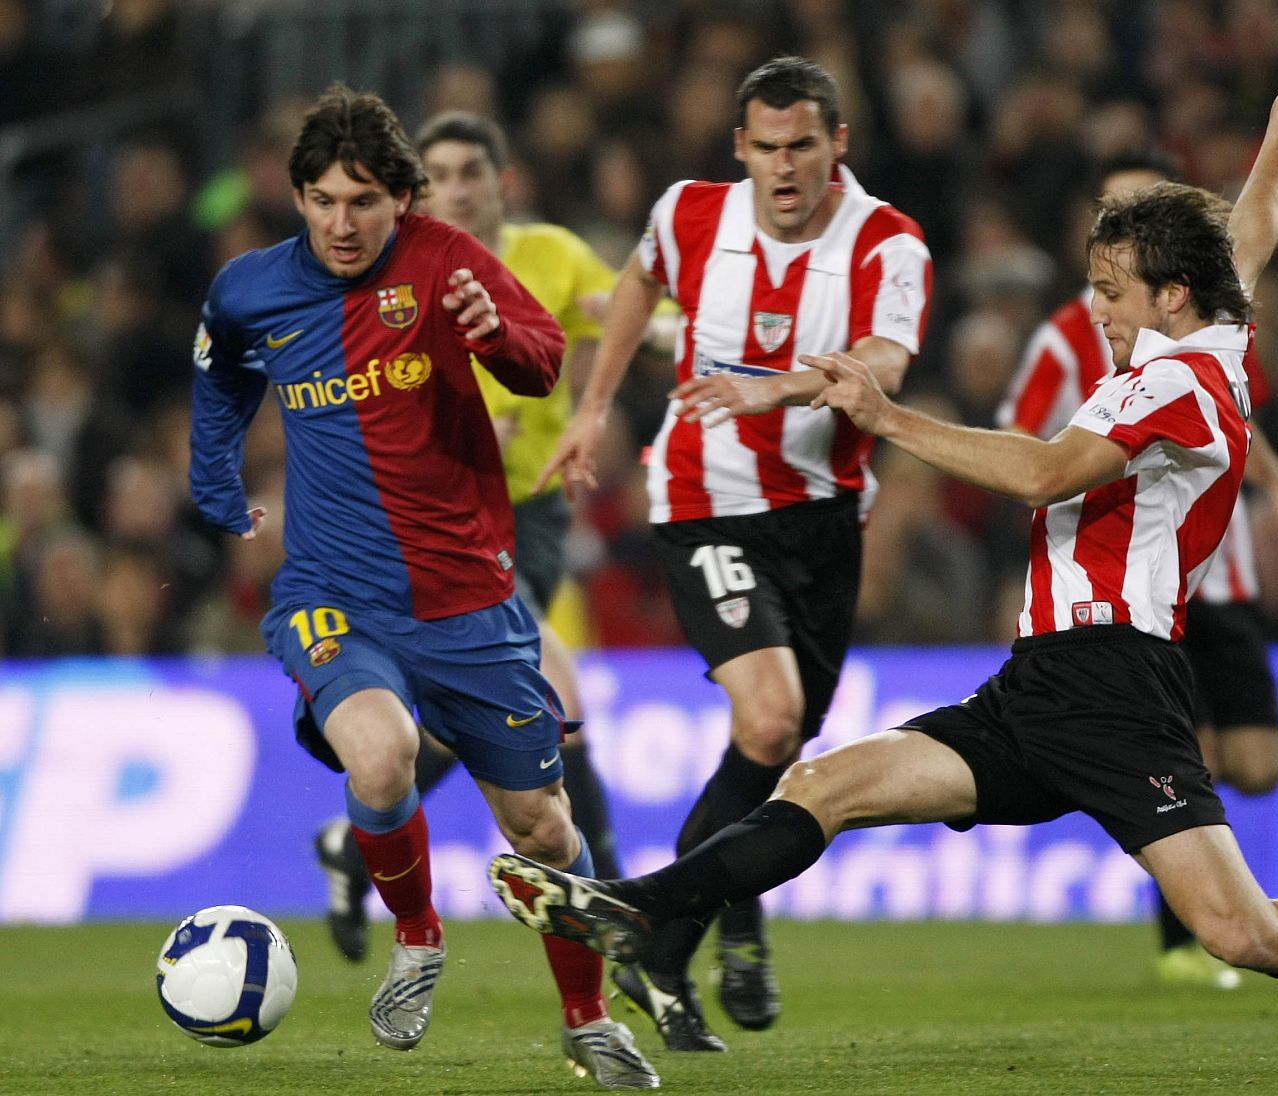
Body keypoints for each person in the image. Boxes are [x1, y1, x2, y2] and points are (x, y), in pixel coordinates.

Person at [485, 120, 1278, 1086]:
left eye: (1109, 291)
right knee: (826, 781)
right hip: (1037, 684)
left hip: (1115, 687)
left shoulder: (1177, 381)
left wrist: (885, 416)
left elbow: (1048, 472)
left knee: (1242, 932)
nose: (1093, 309)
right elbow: (1254, 232)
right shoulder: (1221, 340)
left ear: (1169, 297)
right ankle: (645, 908)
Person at [188, 85, 657, 1089]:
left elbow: (539, 364)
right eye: (320, 201)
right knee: (382, 750)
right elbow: (221, 373)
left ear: (401, 197)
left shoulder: (448, 260)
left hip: (468, 599)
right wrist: (215, 484)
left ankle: (586, 1018)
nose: (341, 224)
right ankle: (418, 932)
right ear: (298, 198)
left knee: (542, 825)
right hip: (331, 591)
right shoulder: (249, 288)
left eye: (362, 201)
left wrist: (493, 332)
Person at [535, 55, 931, 1051]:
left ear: (837, 144)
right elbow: (633, 286)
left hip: (826, 517)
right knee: (771, 718)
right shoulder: (689, 215)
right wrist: (589, 412)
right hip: (705, 502)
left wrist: (785, 386)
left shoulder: (887, 242)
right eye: (766, 147)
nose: (784, 167)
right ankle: (701, 921)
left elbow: (884, 363)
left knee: (779, 754)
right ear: (739, 148)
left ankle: (671, 947)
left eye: (803, 145)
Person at [998, 57, 1278, 989]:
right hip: (1120, 580)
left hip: (1207, 569)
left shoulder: (1199, 332)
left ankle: (1210, 904)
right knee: (1190, 754)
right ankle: (1187, 931)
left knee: (1253, 762)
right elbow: (1037, 456)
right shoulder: (1075, 335)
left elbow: (1252, 236)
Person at [311, 108, 631, 972]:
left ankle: (356, 838)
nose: (456, 188)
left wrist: (686, 333)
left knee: (479, 717)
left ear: (502, 183)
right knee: (557, 702)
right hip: (446, 523)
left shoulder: (551, 255)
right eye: (440, 174)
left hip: (536, 513)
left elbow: (614, 310)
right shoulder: (391, 274)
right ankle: (627, 924)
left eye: (470, 172)